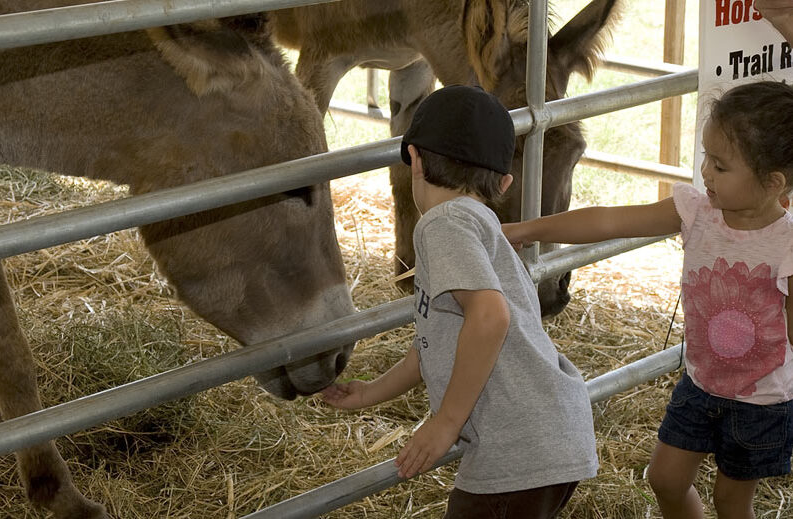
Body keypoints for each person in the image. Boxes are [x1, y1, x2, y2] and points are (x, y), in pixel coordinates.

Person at [503, 80, 793, 519]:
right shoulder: (696, 211)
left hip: (763, 400)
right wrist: (528, 230)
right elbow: (609, 221)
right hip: (699, 384)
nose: (705, 173)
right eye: (705, 157)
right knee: (665, 480)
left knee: (732, 502)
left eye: (720, 165)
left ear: (773, 183)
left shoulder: (787, 245)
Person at [320, 85, 598, 519]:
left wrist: (445, 423)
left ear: (413, 158)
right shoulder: (479, 223)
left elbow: (490, 317)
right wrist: (370, 393)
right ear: (504, 183)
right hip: (546, 433)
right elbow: (434, 342)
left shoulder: (442, 225)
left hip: (515, 449)